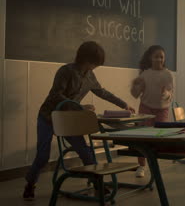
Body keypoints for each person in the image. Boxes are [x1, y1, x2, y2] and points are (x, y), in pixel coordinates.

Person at [23, 41, 135, 200]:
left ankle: (98, 185)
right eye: (94, 62)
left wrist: (123, 104)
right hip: (48, 117)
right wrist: (80, 107)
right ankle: (30, 184)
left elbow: (102, 92)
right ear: (85, 59)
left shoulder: (90, 75)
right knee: (42, 157)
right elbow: (56, 95)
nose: (95, 66)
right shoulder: (66, 71)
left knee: (85, 151)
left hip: (69, 118)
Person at [131, 45, 174, 178]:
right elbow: (135, 94)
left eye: (161, 57)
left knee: (158, 137)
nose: (159, 59)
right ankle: (141, 166)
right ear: (150, 58)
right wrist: (136, 86)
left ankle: (153, 163)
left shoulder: (168, 74)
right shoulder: (145, 74)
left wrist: (165, 93)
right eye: (156, 56)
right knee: (142, 137)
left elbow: (170, 94)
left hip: (162, 110)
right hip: (146, 108)